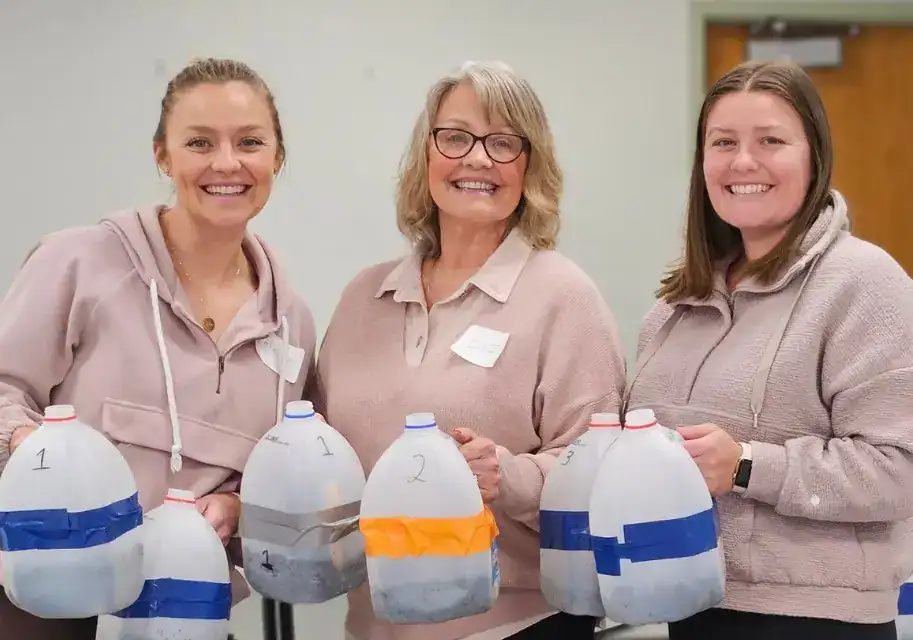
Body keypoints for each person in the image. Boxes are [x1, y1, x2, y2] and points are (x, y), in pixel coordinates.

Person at [0, 57, 315, 639]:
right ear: (162, 157)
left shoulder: (290, 321)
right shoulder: (78, 263)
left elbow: (281, 469)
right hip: (45, 601)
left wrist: (241, 509)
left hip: (184, 610)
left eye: (249, 141)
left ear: (277, 157)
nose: (226, 163)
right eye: (199, 142)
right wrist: (33, 449)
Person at [311, 60, 626, 640]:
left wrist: (507, 474)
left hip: (519, 625)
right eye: (455, 137)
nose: (477, 159)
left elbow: (604, 476)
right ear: (426, 155)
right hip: (371, 624)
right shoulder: (364, 296)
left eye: (503, 143)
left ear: (530, 165)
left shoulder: (562, 296)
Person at [623, 59, 913, 640]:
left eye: (771, 141)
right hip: (691, 604)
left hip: (817, 620)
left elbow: (898, 471)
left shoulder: (864, 281)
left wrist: (748, 465)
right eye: (723, 142)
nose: (743, 162)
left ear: (814, 158)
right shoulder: (676, 306)